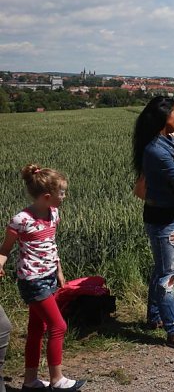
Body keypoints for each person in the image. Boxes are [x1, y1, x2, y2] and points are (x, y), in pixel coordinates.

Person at [0, 165, 86, 390]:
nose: (65, 197)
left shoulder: (53, 213)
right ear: (47, 197)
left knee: (36, 329)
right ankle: (57, 380)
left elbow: (50, 245)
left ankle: (30, 381)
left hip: (48, 277)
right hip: (32, 281)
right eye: (62, 193)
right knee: (58, 326)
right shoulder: (21, 220)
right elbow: (4, 250)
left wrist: (58, 270)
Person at [132, 96, 174, 349]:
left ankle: (155, 316)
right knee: (168, 276)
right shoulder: (157, 151)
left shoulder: (168, 142)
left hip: (171, 216)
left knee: (161, 268)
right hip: (164, 221)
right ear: (164, 118)